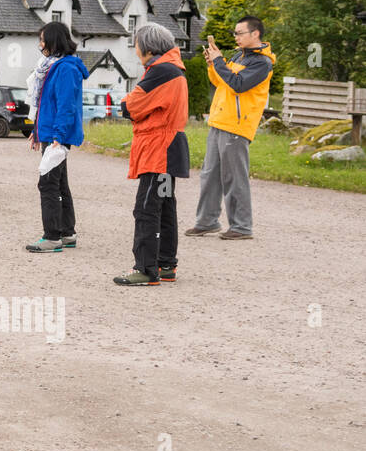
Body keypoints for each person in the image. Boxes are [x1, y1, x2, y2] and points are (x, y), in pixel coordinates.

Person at [185, 16, 275, 240]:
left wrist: (219, 62)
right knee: (210, 174)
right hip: (219, 121)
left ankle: (242, 226)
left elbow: (238, 84)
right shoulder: (239, 55)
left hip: (237, 125)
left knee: (234, 177)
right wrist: (212, 64)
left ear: (255, 34)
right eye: (235, 33)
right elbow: (221, 82)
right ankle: (207, 221)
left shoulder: (262, 63)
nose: (236, 37)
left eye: (239, 33)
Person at [113, 23, 190, 286]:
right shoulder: (175, 68)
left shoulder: (160, 71)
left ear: (147, 47)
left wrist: (124, 104)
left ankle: (146, 268)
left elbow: (133, 105)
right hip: (172, 147)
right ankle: (166, 263)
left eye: (136, 45)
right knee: (165, 206)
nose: (136, 50)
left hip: (158, 150)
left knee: (146, 208)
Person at [24, 21, 88, 252]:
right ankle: (67, 232)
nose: (40, 44)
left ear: (53, 41)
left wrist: (58, 136)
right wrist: (37, 131)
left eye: (43, 40)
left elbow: (65, 105)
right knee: (60, 183)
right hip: (51, 133)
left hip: (58, 135)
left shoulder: (66, 68)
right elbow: (45, 104)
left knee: (48, 183)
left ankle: (52, 236)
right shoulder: (53, 66)